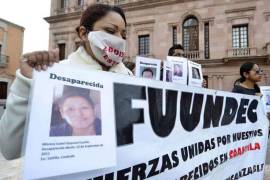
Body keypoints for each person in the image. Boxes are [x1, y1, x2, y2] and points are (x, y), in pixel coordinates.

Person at [0, 4, 132, 160]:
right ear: (83, 33)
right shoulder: (53, 76)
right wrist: (26, 83)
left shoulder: (129, 77)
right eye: (110, 31)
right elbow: (10, 149)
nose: (118, 39)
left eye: (123, 34)